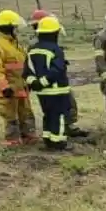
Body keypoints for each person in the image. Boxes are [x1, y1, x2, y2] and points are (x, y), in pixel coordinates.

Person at [29, 10, 86, 138]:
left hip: (49, 86)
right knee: (59, 110)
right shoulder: (38, 44)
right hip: (53, 86)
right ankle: (60, 136)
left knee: (63, 107)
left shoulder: (41, 43)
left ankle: (65, 128)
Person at [24, 16, 73, 151]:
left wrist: (36, 83)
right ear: (54, 33)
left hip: (42, 93)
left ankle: (48, 140)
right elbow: (57, 70)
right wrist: (44, 82)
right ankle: (59, 142)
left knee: (48, 115)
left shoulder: (32, 50)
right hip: (58, 91)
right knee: (60, 116)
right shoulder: (56, 50)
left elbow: (27, 71)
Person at [0, 10, 36, 146]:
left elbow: (24, 64)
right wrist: (4, 86)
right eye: (13, 26)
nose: (16, 29)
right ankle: (12, 139)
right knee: (10, 114)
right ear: (8, 27)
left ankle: (29, 135)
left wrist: (29, 80)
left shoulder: (14, 43)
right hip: (9, 88)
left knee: (25, 112)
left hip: (21, 86)